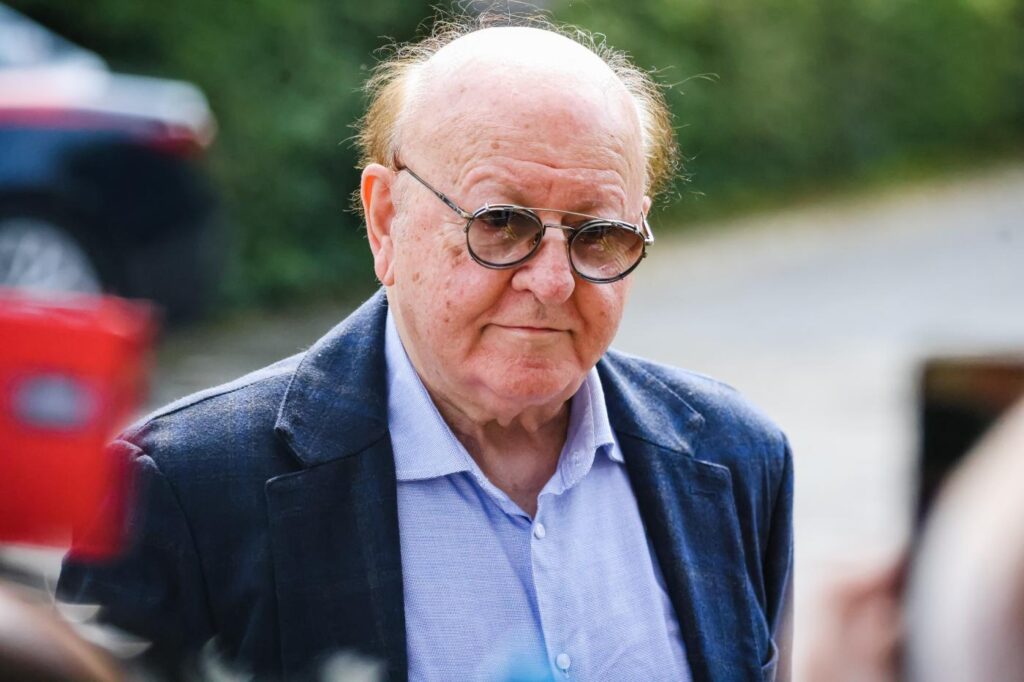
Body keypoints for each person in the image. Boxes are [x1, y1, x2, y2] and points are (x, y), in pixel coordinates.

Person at [59, 12, 793, 682]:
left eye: (599, 235)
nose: (551, 282)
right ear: (386, 221)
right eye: (500, 224)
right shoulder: (180, 491)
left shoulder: (736, 458)